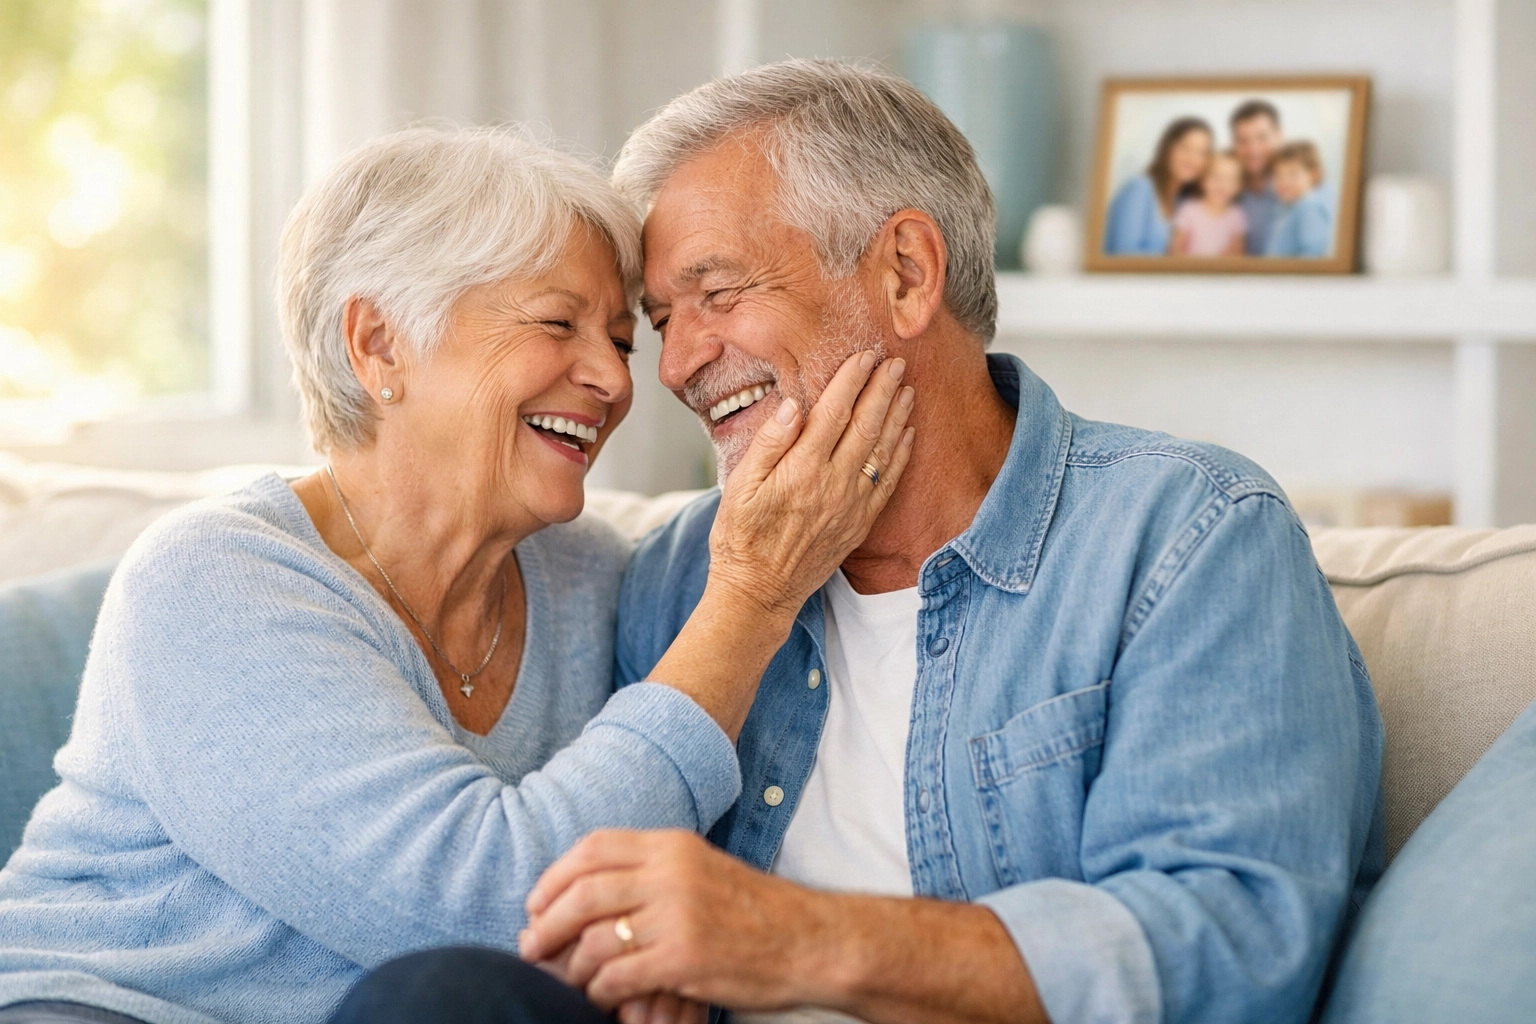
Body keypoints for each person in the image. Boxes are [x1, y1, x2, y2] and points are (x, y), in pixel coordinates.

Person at [346, 61, 1385, 1024]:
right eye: (663, 321)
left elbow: (1239, 949)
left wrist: (792, 939)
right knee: (440, 995)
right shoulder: (681, 578)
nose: (673, 368)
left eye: (720, 292)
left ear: (904, 273)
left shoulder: (1187, 539)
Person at [0, 127, 916, 1024]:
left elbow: (621, 856)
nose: (614, 380)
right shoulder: (214, 582)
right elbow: (483, 909)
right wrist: (754, 595)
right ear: (379, 346)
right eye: (558, 323)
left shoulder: (590, 577)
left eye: (623, 340)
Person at [1101, 116, 1212, 255]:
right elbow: (1123, 256)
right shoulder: (1139, 188)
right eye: (1185, 148)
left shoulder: (1183, 202)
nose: (1193, 159)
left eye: (1202, 153)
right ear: (1167, 149)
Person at [1230, 99, 1285, 255]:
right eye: (1242, 141)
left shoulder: (1304, 190)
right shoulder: (1225, 189)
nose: (1253, 149)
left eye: (1262, 138)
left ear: (1280, 137)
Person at [1171, 150, 1248, 257]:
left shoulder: (1236, 215)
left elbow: (1237, 253)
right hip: (1189, 270)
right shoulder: (1189, 210)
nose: (1222, 184)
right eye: (1216, 177)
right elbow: (1175, 249)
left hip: (1221, 271)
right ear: (1203, 180)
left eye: (1230, 179)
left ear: (1238, 186)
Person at [1265, 140, 1334, 258]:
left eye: (1293, 174)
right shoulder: (1284, 209)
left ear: (1313, 174)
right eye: (1278, 175)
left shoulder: (1310, 209)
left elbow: (1311, 255)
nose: (1284, 181)